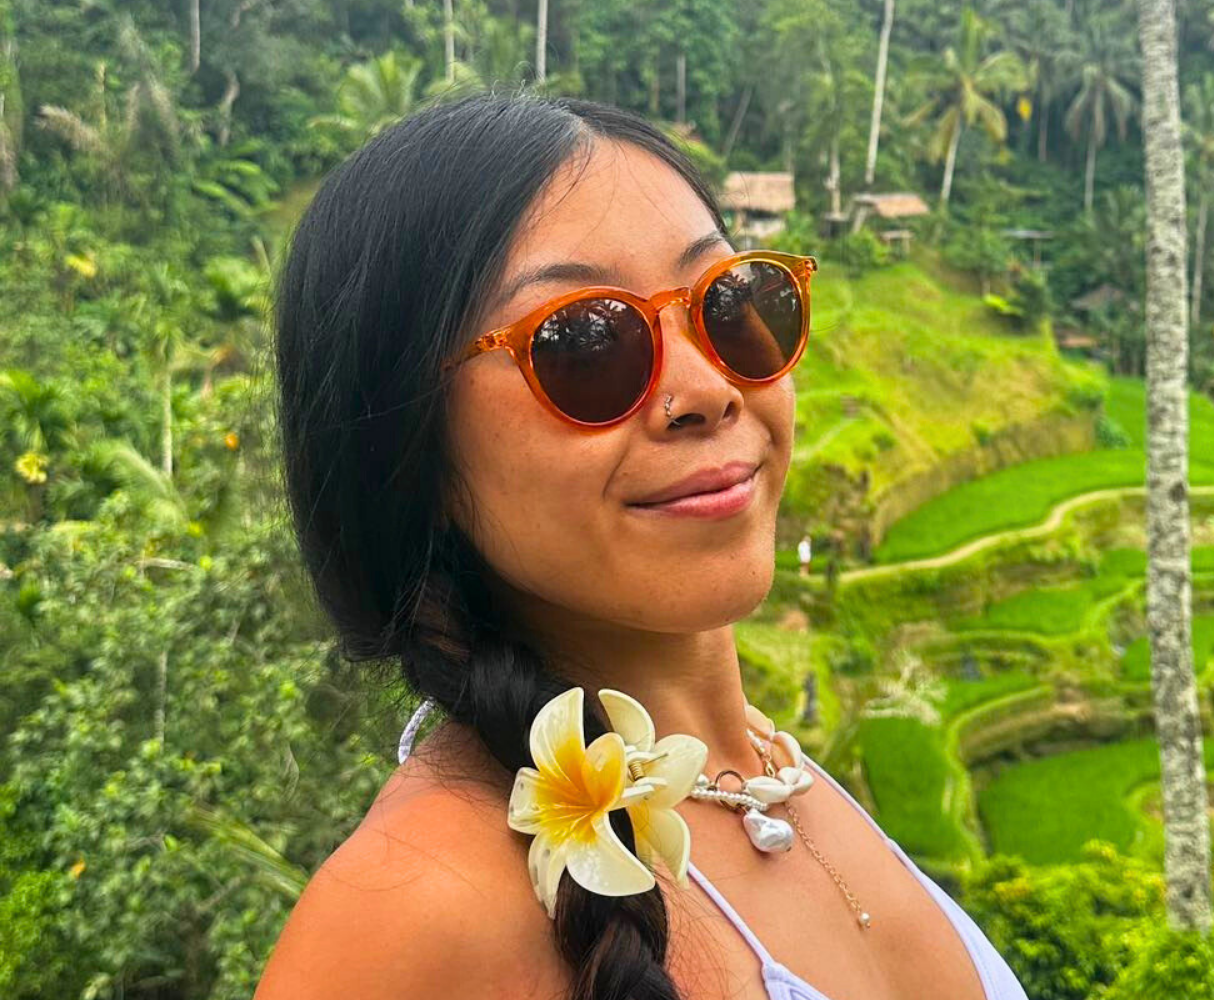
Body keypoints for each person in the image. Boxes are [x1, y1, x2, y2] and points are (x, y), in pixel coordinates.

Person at [256, 90, 1028, 1000]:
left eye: (731, 303)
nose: (707, 388)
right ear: (407, 451)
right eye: (585, 344)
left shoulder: (766, 765)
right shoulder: (414, 916)